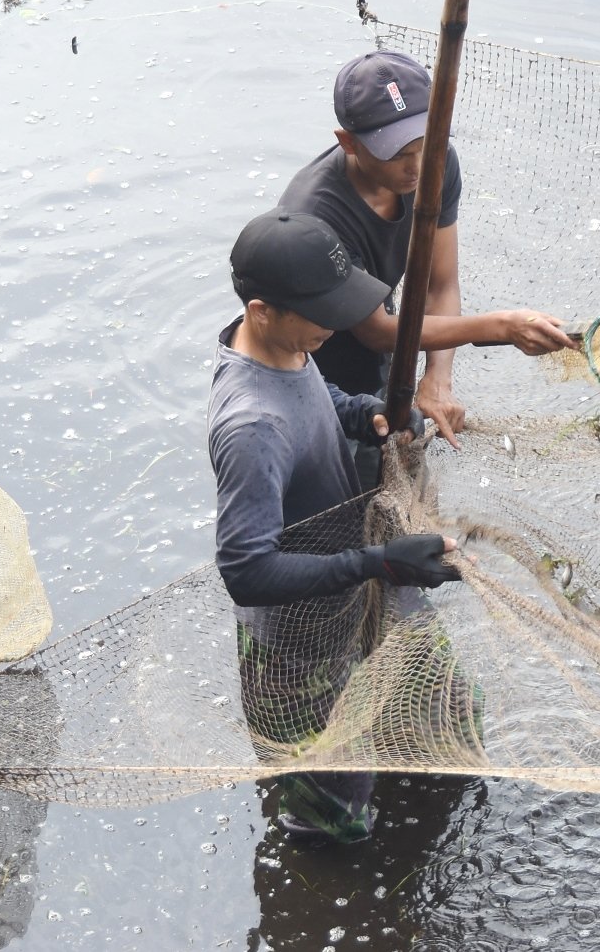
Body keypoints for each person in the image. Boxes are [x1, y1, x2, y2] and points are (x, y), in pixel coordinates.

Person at [208, 207, 463, 843]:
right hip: (296, 648)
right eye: (322, 311)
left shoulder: (288, 347)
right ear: (261, 309)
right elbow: (246, 570)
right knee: (333, 812)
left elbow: (320, 401)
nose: (337, 323)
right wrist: (379, 562)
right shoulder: (250, 428)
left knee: (447, 713)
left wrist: (364, 414)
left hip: (356, 593)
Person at [279, 50, 574, 445]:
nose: (417, 167)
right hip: (310, 361)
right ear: (348, 142)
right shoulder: (316, 215)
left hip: (382, 333)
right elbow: (377, 332)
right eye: (398, 154)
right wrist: (501, 327)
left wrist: (437, 377)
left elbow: (441, 285)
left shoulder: (438, 163)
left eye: (426, 144)